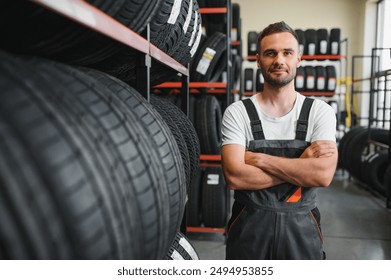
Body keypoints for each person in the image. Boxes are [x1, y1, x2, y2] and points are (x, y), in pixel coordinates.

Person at [221, 21, 338, 260]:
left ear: (299, 59)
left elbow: (321, 176)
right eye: (270, 53)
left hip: (302, 231)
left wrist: (259, 159)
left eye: (287, 53)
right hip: (248, 231)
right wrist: (301, 164)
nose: (279, 60)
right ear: (258, 60)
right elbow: (235, 176)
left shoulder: (320, 111)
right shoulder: (237, 112)